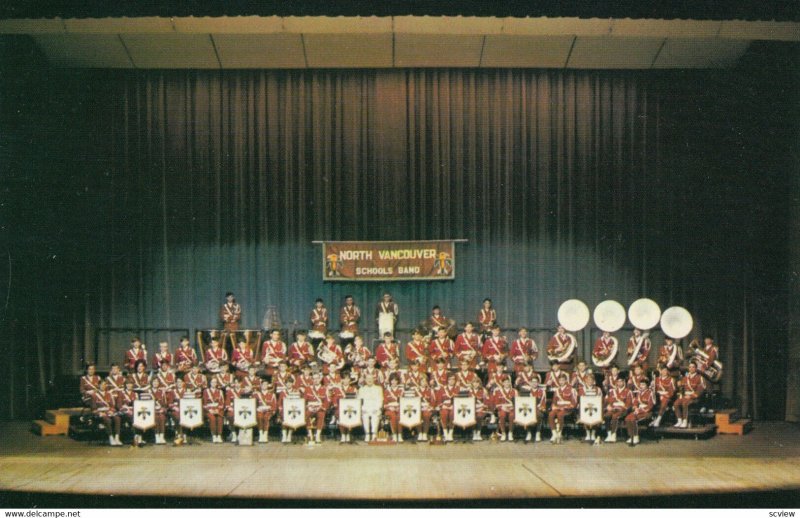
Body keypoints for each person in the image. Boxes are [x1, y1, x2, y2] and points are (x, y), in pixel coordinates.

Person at [674, 362, 707, 428]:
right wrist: (678, 385)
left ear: (696, 368)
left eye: (693, 367)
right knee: (676, 403)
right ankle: (679, 420)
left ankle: (685, 421)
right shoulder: (685, 377)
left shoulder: (700, 378)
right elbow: (681, 387)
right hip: (685, 396)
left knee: (684, 403)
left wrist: (691, 396)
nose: (691, 368)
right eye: (690, 367)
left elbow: (700, 391)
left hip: (694, 398)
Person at [548, 373, 577, 443]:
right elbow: (554, 402)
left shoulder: (571, 390)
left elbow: (574, 402)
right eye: (560, 380)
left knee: (560, 415)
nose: (561, 382)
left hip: (567, 409)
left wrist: (565, 407)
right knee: (551, 414)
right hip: (558, 407)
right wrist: (554, 407)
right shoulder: (557, 390)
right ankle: (554, 434)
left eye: (563, 380)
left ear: (566, 381)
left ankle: (559, 433)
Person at [91, 380, 121, 446]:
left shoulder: (109, 394)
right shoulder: (94, 395)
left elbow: (112, 406)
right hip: (100, 414)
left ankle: (117, 438)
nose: (103, 386)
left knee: (117, 418)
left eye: (105, 385)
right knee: (107, 420)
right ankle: (111, 437)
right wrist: (100, 413)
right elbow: (93, 409)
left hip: (109, 412)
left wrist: (111, 411)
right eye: (102, 385)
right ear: (98, 385)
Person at [625, 379, 655, 445]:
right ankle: (631, 436)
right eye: (640, 385)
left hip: (647, 412)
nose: (641, 386)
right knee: (627, 418)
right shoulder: (639, 393)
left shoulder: (651, 393)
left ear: (647, 386)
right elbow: (635, 402)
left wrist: (640, 410)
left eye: (643, 385)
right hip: (638, 410)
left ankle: (636, 436)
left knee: (633, 419)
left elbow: (650, 406)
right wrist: (635, 407)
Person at [604, 377, 632, 443]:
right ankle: (609, 434)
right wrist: (609, 406)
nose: (619, 383)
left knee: (615, 416)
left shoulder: (628, 391)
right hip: (613, 408)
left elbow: (629, 404)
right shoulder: (613, 391)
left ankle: (614, 435)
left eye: (621, 381)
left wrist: (622, 406)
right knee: (606, 416)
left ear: (624, 382)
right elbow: (610, 401)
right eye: (618, 382)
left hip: (622, 410)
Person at [578, 373, 603, 444]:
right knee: (583, 414)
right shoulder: (581, 389)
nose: (589, 381)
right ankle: (588, 433)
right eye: (588, 380)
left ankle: (593, 433)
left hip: (595, 408)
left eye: (591, 380)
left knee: (597, 415)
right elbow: (580, 399)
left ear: (593, 381)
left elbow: (600, 399)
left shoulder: (598, 389)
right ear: (585, 380)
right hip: (585, 407)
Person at [358, 372, 383, 442]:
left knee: (375, 415)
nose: (369, 380)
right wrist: (362, 409)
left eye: (371, 378)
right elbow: (359, 401)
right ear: (365, 380)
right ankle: (367, 434)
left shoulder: (378, 388)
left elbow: (380, 400)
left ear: (374, 379)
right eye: (368, 379)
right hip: (365, 408)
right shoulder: (361, 389)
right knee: (364, 415)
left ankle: (374, 434)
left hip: (375, 408)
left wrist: (377, 408)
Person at [304, 372, 329, 444]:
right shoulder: (308, 388)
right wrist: (308, 407)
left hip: (320, 408)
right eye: (314, 379)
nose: (316, 380)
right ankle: (310, 434)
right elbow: (304, 400)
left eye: (317, 378)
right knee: (306, 414)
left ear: (320, 379)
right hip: (310, 408)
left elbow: (327, 401)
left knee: (321, 415)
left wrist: (321, 407)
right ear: (312, 379)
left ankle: (318, 435)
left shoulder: (324, 389)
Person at [492, 377, 516, 442]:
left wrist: (511, 407)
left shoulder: (514, 391)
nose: (507, 383)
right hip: (502, 409)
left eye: (508, 382)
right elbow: (496, 404)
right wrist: (502, 407)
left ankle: (510, 433)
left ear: (510, 383)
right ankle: (503, 433)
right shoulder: (498, 391)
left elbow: (517, 402)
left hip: (512, 409)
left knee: (512, 415)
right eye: (505, 382)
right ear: (502, 383)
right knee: (502, 415)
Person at [203, 377, 226, 443]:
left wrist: (218, 410)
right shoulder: (206, 391)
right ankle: (213, 435)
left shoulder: (220, 391)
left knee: (220, 418)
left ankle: (219, 435)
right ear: (210, 383)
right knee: (212, 418)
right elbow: (204, 403)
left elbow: (222, 403)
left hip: (218, 409)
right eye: (212, 382)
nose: (214, 384)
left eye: (215, 382)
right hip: (209, 410)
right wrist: (210, 410)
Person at [436, 374, 459, 442]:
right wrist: (442, 405)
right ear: (447, 380)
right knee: (444, 413)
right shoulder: (443, 388)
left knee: (452, 414)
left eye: (453, 379)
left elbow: (460, 400)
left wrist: (454, 405)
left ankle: (450, 433)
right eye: (450, 379)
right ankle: (445, 432)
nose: (451, 381)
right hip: (444, 406)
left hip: (453, 406)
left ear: (455, 380)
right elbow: (439, 400)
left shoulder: (458, 388)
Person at [383, 375, 404, 442]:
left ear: (398, 381)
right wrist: (390, 407)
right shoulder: (386, 391)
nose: (394, 382)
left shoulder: (401, 391)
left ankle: (400, 435)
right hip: (389, 409)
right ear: (390, 381)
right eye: (392, 380)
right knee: (393, 416)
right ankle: (394, 434)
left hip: (399, 408)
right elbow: (385, 403)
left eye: (395, 380)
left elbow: (403, 402)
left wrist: (399, 407)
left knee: (400, 415)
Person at [149, 377, 169, 445]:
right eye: (154, 381)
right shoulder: (148, 392)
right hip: (151, 411)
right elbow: (145, 404)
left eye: (157, 382)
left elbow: (164, 404)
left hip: (160, 411)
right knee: (156, 418)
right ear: (151, 383)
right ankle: (157, 436)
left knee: (162, 417)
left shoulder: (161, 392)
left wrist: (162, 409)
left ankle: (162, 436)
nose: (155, 383)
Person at [528, 377, 548, 442]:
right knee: (526, 414)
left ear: (538, 383)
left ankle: (538, 432)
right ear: (530, 383)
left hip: (538, 409)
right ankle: (529, 432)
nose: (534, 383)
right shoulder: (527, 391)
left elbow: (543, 402)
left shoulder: (542, 391)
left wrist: (540, 408)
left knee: (539, 414)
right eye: (533, 382)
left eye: (536, 382)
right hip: (528, 409)